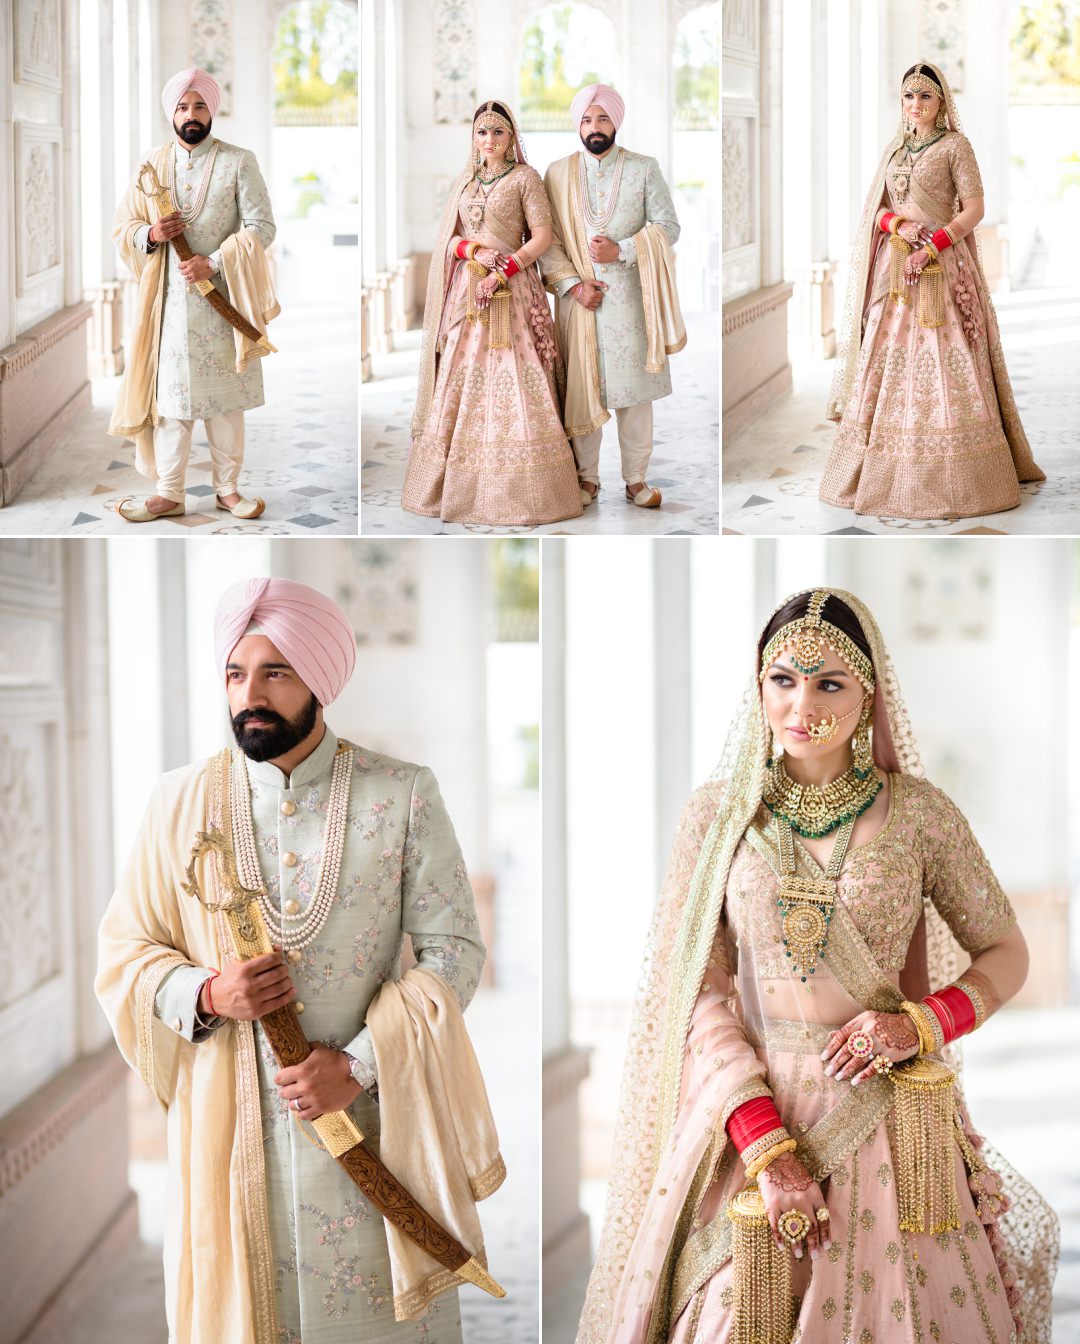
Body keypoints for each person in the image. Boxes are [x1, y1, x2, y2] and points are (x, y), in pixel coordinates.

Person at [577, 589, 1057, 1344]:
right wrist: (765, 1145)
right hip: (754, 1119)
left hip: (892, 1121)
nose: (802, 704)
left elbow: (1008, 953)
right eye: (783, 680)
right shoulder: (719, 816)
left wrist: (920, 1025)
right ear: (760, 687)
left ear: (868, 696)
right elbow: (696, 992)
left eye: (830, 682)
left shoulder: (921, 815)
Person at [96, 578, 503, 1343]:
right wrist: (207, 991)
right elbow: (124, 952)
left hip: (370, 1134)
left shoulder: (402, 793)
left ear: (320, 678)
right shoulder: (176, 803)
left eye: (275, 672)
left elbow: (455, 952)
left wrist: (357, 1064)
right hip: (230, 1149)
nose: (250, 693)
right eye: (235, 674)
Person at [822, 61, 1044, 520]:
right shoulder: (894, 150)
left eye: (925, 95)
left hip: (943, 267)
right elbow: (876, 211)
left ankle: (960, 474)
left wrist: (934, 246)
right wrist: (898, 223)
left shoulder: (956, 147)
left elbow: (975, 208)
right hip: (895, 268)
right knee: (886, 357)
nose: (916, 104)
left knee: (949, 356)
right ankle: (880, 467)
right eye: (908, 95)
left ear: (941, 101)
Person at [110, 68, 279, 523]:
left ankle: (228, 490)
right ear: (171, 112)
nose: (191, 115)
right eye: (183, 107)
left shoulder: (239, 161)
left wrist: (216, 262)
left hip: (220, 301)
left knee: (226, 401)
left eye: (199, 105)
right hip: (166, 304)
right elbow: (122, 227)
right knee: (171, 401)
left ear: (212, 110)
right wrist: (150, 232)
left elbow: (262, 227)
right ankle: (169, 492)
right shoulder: (151, 166)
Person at [404, 99, 582, 526]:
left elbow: (541, 237)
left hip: (514, 290)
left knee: (516, 373)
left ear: (511, 137)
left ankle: (525, 487)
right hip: (468, 293)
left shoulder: (525, 178)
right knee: (462, 373)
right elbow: (450, 238)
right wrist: (473, 252)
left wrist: (504, 268)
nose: (490, 139)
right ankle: (456, 484)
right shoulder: (465, 182)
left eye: (498, 131)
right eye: (482, 132)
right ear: (474, 137)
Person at [541, 83, 685, 510]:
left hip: (632, 303)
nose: (594, 127)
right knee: (582, 389)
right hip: (579, 303)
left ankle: (636, 480)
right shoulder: (558, 173)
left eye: (603, 118)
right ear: (577, 124)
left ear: (616, 121)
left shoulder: (643, 168)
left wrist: (620, 249)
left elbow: (668, 227)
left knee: (634, 395)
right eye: (587, 119)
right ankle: (586, 479)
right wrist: (573, 286)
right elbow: (547, 242)